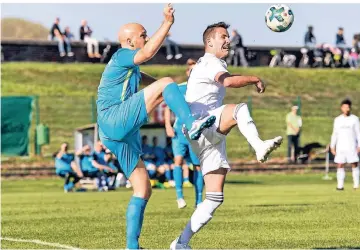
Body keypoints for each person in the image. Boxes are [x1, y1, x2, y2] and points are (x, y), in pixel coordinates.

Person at [96, 4, 215, 249]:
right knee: (166, 83)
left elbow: (160, 88)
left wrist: (190, 88)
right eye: (142, 34)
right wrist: (167, 23)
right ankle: (193, 126)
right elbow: (150, 54)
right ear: (129, 41)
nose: (146, 38)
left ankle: (132, 247)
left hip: (112, 132)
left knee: (143, 189)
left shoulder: (130, 69)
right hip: (114, 118)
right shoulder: (122, 55)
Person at [170, 21, 283, 250]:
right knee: (239, 109)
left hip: (205, 136)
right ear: (209, 42)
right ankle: (259, 146)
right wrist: (255, 78)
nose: (227, 40)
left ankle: (180, 244)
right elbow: (229, 82)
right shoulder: (211, 62)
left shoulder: (209, 63)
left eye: (228, 36)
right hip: (202, 123)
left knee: (214, 198)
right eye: (223, 36)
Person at [164, 58, 204, 209]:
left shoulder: (202, 91)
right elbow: (168, 107)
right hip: (179, 132)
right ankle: (179, 197)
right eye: (191, 70)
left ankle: (199, 200)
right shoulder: (179, 88)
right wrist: (168, 125)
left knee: (197, 166)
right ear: (187, 73)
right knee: (178, 161)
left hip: (195, 133)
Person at [330, 99, 360, 191]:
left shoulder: (354, 119)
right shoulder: (338, 120)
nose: (346, 109)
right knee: (340, 164)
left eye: (348, 107)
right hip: (341, 146)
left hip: (351, 145)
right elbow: (335, 133)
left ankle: (356, 185)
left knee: (354, 164)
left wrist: (359, 145)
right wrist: (332, 146)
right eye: (345, 107)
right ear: (341, 108)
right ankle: (340, 185)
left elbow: (358, 133)